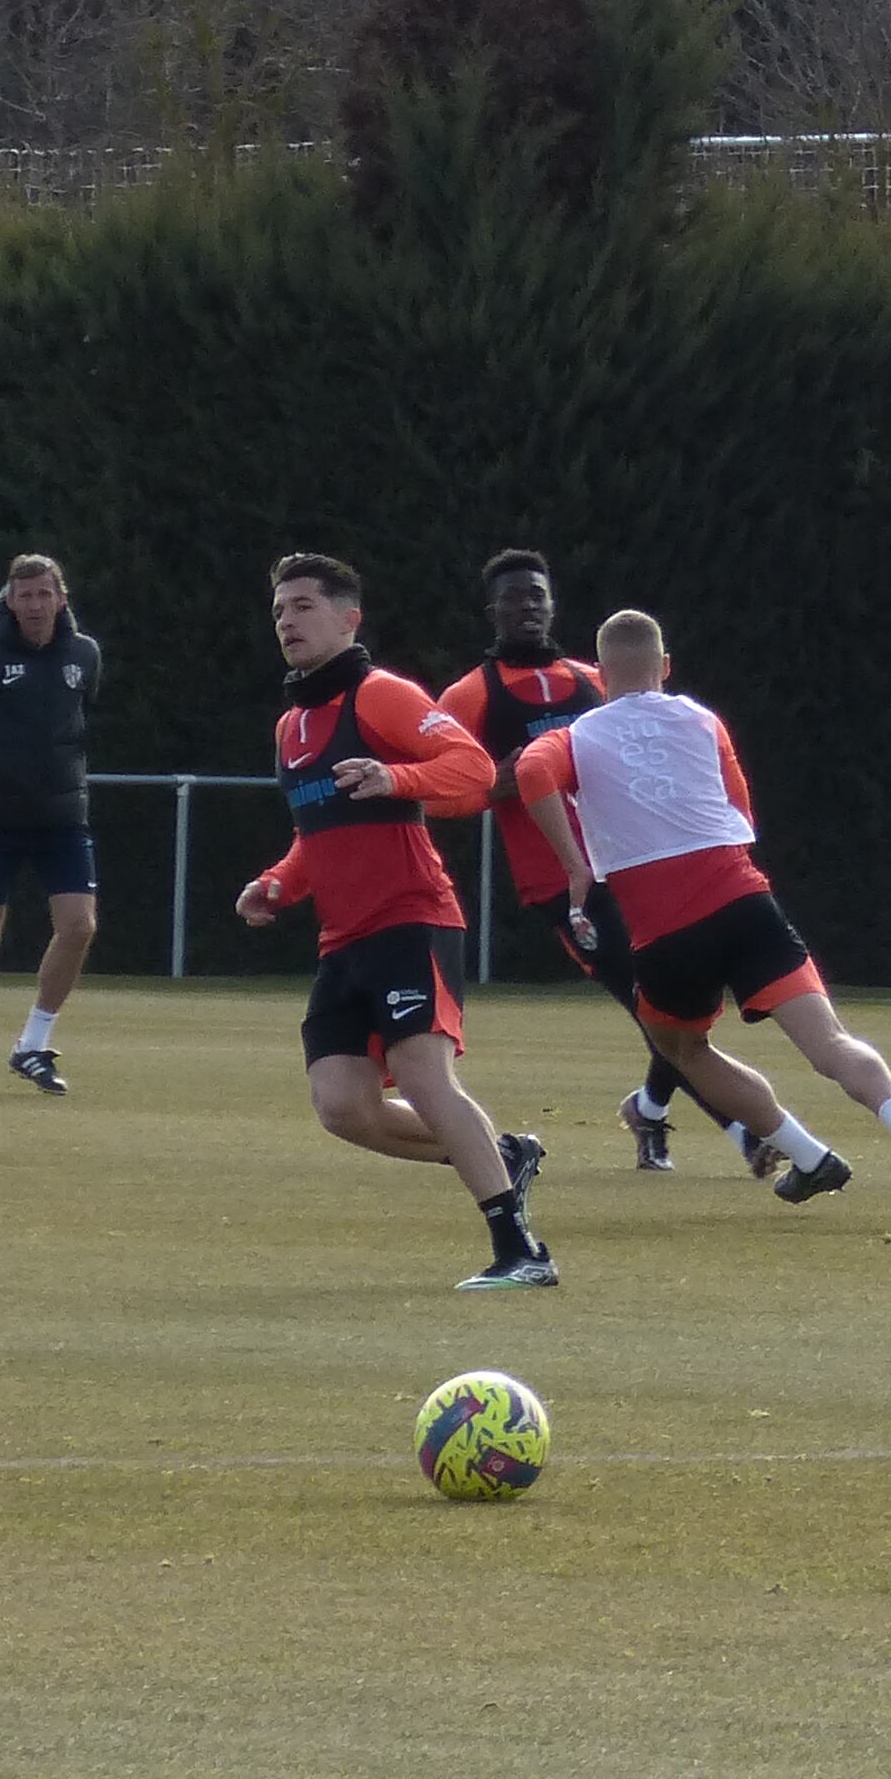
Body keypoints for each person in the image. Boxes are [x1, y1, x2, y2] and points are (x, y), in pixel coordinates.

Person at [511, 610, 891, 1228]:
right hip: (743, 899)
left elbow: (529, 773)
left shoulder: (577, 736)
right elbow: (741, 810)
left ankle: (810, 1155)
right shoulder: (704, 719)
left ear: (599, 676)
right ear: (666, 668)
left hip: (665, 929)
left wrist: (575, 867)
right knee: (831, 1042)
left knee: (682, 1047)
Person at [229, 553, 554, 1291]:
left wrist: (395, 777)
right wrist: (278, 883)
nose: (287, 620)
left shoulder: (380, 696)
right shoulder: (291, 725)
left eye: (304, 606)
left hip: (413, 918)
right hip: (344, 938)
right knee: (343, 1107)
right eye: (280, 610)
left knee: (421, 1074)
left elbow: (471, 771)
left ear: (350, 619)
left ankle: (521, 1251)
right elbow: (319, 835)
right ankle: (502, 1155)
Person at [433, 548, 756, 1179]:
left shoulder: (594, 679)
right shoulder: (470, 696)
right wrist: (523, 775)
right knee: (649, 1003)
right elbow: (449, 791)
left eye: (539, 594)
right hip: (563, 882)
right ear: (492, 610)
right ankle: (747, 1131)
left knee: (678, 1002)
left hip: (639, 864)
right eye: (516, 596)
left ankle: (650, 1108)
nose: (530, 605)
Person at [0, 554, 103, 1093]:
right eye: (24, 595)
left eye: (43, 594)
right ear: (10, 601)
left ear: (61, 599)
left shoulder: (84, 654)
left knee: (80, 926)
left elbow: (76, 719)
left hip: (62, 817)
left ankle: (32, 1045)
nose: (34, 604)